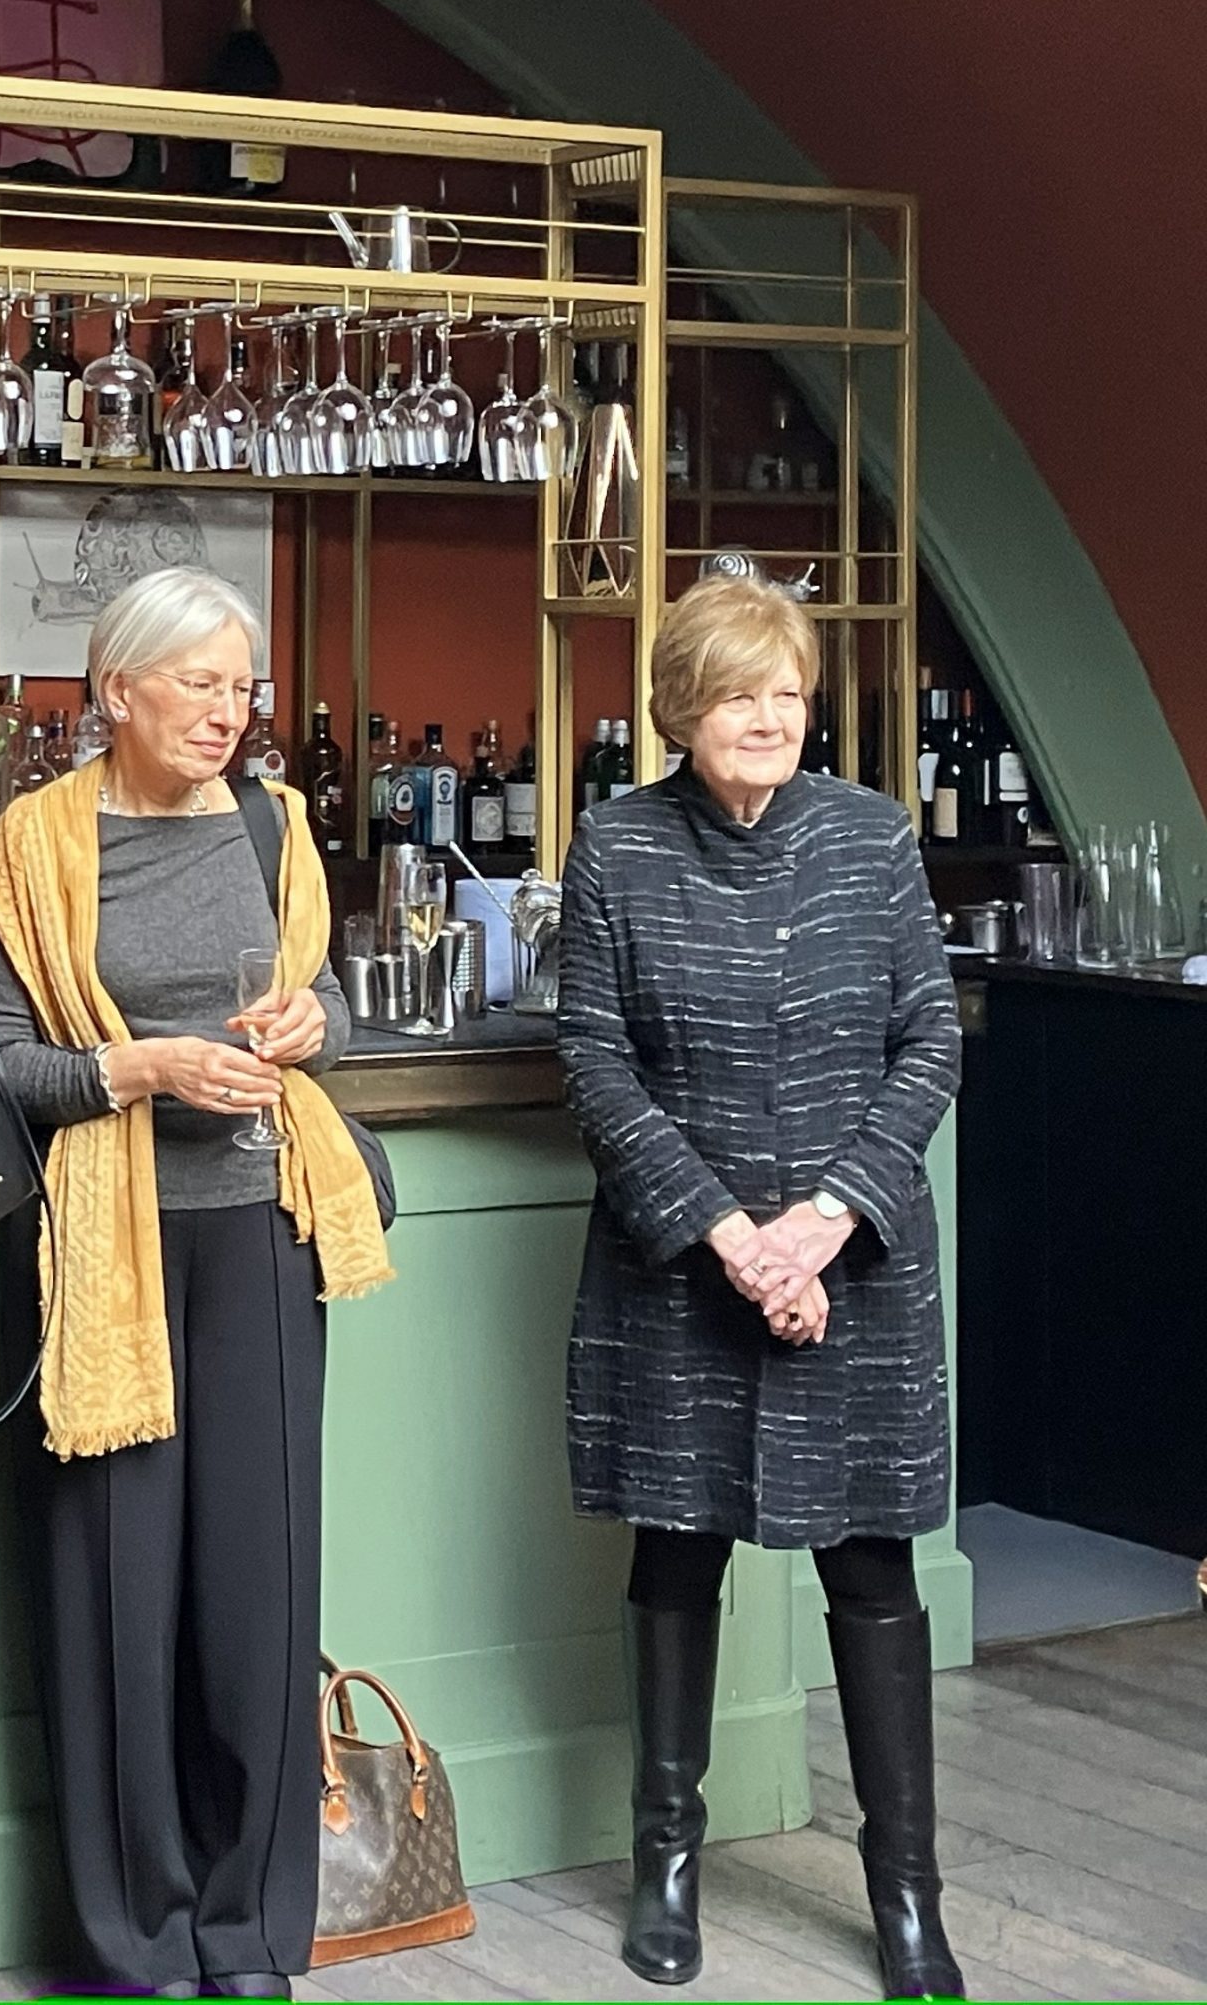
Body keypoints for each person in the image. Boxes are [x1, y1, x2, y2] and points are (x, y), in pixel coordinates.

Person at [0, 567, 392, 1999]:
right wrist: (137, 1068)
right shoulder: (38, 839)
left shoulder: (274, 825)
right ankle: (131, 1943)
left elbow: (327, 1006)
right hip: (103, 1254)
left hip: (263, 1234)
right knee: (115, 1608)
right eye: (200, 683)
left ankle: (248, 1933)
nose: (229, 711)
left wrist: (315, 1022)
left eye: (242, 686)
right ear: (119, 689)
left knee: (257, 1602)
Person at [556, 574, 964, 2000]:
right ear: (683, 708)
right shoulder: (616, 844)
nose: (771, 718)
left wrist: (823, 1221)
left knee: (873, 1567)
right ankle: (666, 1861)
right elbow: (594, 1060)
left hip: (854, 1268)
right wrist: (734, 1238)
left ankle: (908, 1898)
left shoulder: (871, 836)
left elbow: (930, 1038)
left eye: (788, 695)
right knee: (677, 1552)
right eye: (741, 695)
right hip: (683, 1272)